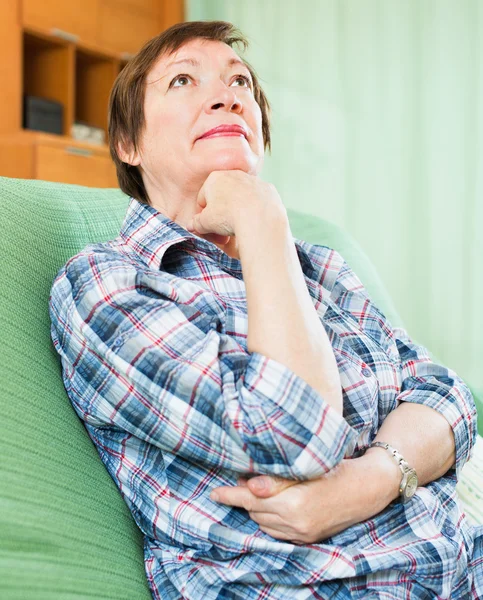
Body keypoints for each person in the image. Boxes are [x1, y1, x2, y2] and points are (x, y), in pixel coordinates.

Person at [48, 20, 483, 600]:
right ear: (129, 144)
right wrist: (260, 220)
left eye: (241, 84)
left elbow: (446, 396)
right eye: (182, 80)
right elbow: (294, 438)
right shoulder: (105, 284)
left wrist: (374, 478)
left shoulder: (320, 268)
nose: (229, 95)